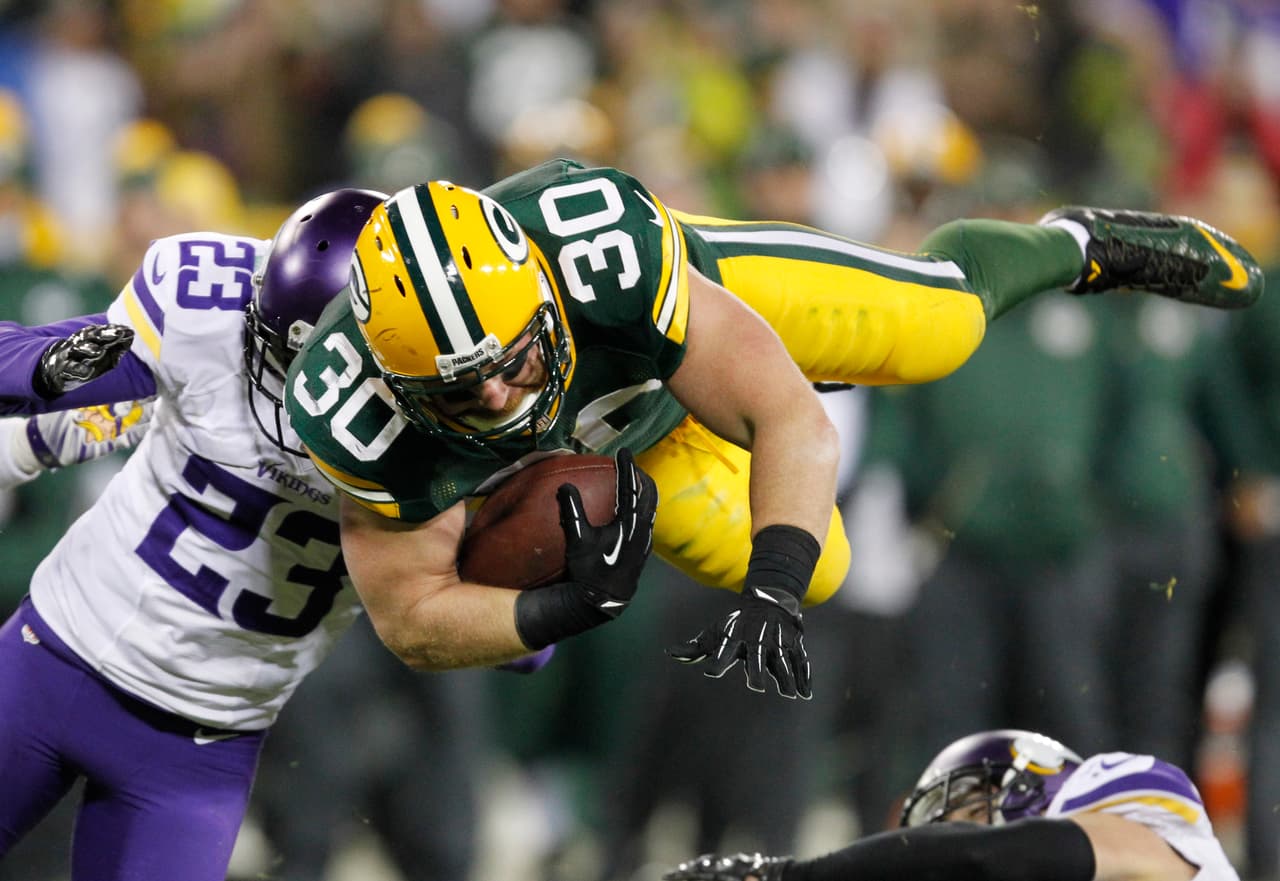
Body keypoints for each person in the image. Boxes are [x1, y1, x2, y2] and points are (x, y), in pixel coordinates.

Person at [283, 157, 1263, 700]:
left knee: (938, 327)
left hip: (681, 342)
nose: (500, 396)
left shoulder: (602, 255)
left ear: (543, 292)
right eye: (462, 390)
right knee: (826, 561)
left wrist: (770, 585)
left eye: (514, 359)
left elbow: (790, 419)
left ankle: (1075, 243)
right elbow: (410, 616)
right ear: (395, 380)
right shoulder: (350, 413)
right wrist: (559, 609)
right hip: (634, 448)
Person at [0, 185, 617, 880]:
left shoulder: (457, 428)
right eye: (281, 358)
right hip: (51, 657)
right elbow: (37, 389)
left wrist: (545, 599)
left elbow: (505, 646)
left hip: (201, 744)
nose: (297, 392)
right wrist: (45, 391)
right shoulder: (206, 308)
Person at [664, 727, 1239, 881]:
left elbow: (990, 857)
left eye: (965, 813)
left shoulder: (1138, 810)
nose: (943, 841)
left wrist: (790, 876)